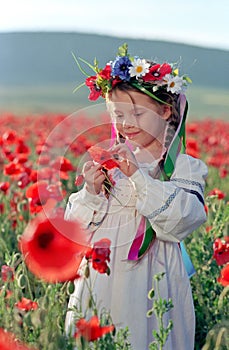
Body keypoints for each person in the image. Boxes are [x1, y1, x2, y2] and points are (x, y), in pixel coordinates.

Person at [65, 44, 208, 349]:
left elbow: (182, 220)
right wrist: (90, 192)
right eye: (117, 114)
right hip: (100, 280)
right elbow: (74, 232)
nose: (126, 122)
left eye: (137, 113)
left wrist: (138, 178)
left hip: (153, 283)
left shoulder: (183, 167)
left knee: (148, 336)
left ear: (166, 111)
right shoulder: (109, 164)